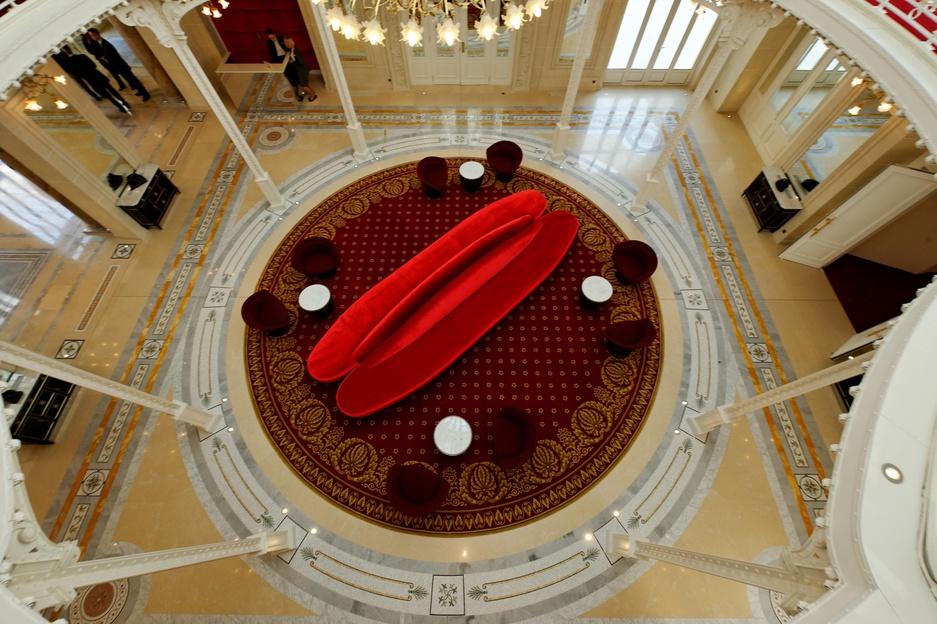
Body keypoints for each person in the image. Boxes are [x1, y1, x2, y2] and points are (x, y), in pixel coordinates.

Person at [85, 28, 150, 101]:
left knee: (133, 79)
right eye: (90, 36)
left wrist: (106, 59)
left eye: (92, 35)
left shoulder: (105, 44)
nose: (91, 37)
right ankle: (140, 90)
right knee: (130, 80)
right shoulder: (100, 43)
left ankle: (146, 94)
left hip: (121, 66)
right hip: (118, 66)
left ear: (97, 34)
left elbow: (114, 56)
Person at [62, 45, 130, 113]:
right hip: (98, 75)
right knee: (111, 89)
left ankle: (120, 106)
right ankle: (124, 102)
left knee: (107, 95)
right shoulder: (82, 56)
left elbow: (78, 75)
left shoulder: (70, 63)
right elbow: (93, 65)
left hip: (91, 80)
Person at [283, 37, 316, 103]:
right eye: (286, 42)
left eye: (289, 42)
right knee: (305, 83)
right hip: (301, 70)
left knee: (303, 85)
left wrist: (292, 62)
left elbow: (300, 62)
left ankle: (313, 95)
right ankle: (312, 92)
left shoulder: (296, 51)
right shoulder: (292, 49)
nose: (287, 44)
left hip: (302, 70)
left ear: (292, 41)